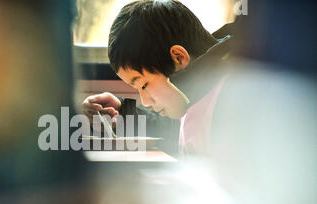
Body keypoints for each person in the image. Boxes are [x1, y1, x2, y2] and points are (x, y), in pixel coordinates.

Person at [82, 0, 239, 156]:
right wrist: (122, 112)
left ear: (178, 58)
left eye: (144, 85)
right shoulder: (193, 96)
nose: (145, 102)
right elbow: (169, 127)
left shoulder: (234, 100)